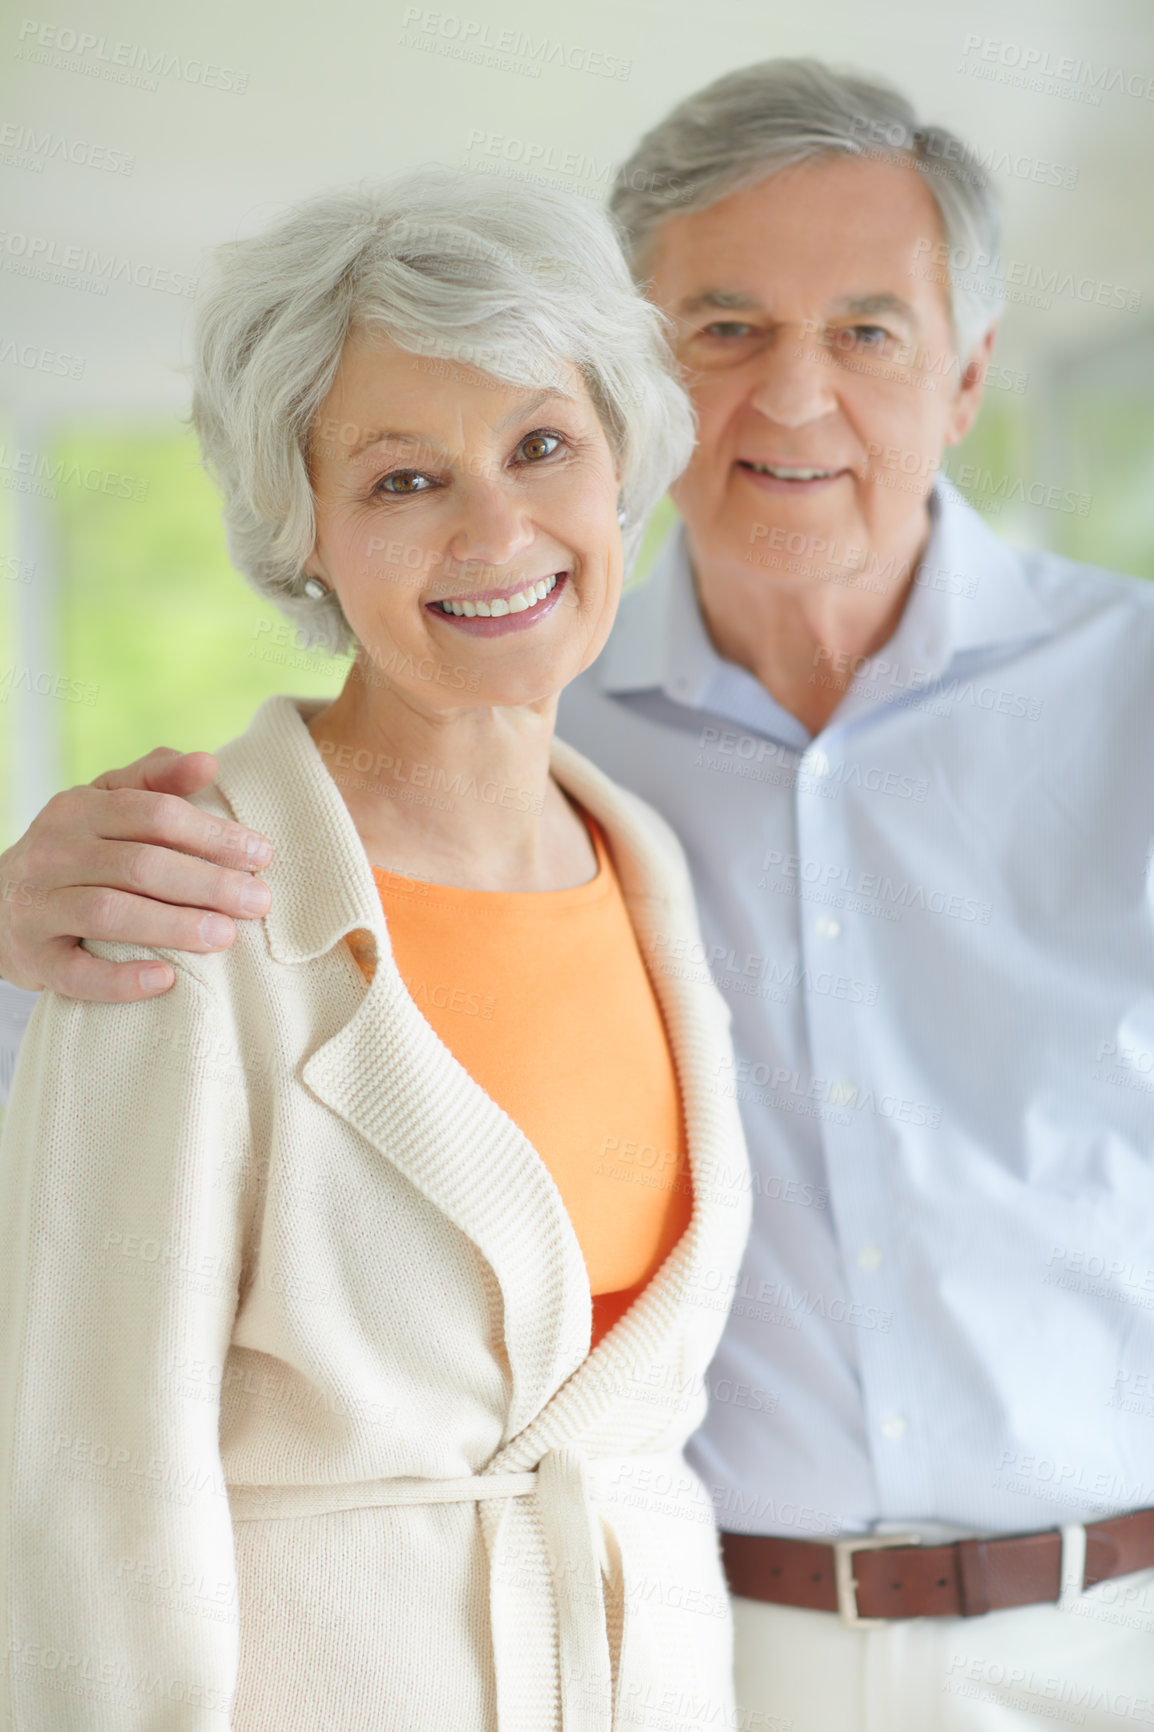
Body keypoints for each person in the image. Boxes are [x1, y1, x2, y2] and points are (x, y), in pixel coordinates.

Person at [3, 56, 1154, 1731]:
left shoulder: (643, 818)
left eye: (867, 330)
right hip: (720, 1649)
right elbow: (89, 1390)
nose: (795, 399)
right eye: (727, 328)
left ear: (969, 370)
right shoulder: (455, 741)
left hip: (1085, 1635)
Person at [0, 170, 753, 1731]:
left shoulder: (646, 868)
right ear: (305, 534)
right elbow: (94, 1484)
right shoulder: (190, 897)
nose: (496, 529)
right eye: (402, 480)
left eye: (541, 444)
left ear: (622, 468)